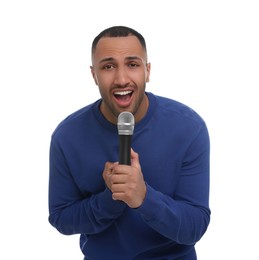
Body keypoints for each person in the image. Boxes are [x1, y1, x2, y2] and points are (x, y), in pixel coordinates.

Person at [48, 25, 210, 260]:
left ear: (147, 71)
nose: (121, 79)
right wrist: (109, 199)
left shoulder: (188, 128)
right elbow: (62, 219)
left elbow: (194, 227)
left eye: (132, 64)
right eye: (108, 66)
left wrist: (144, 198)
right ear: (94, 75)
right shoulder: (66, 137)